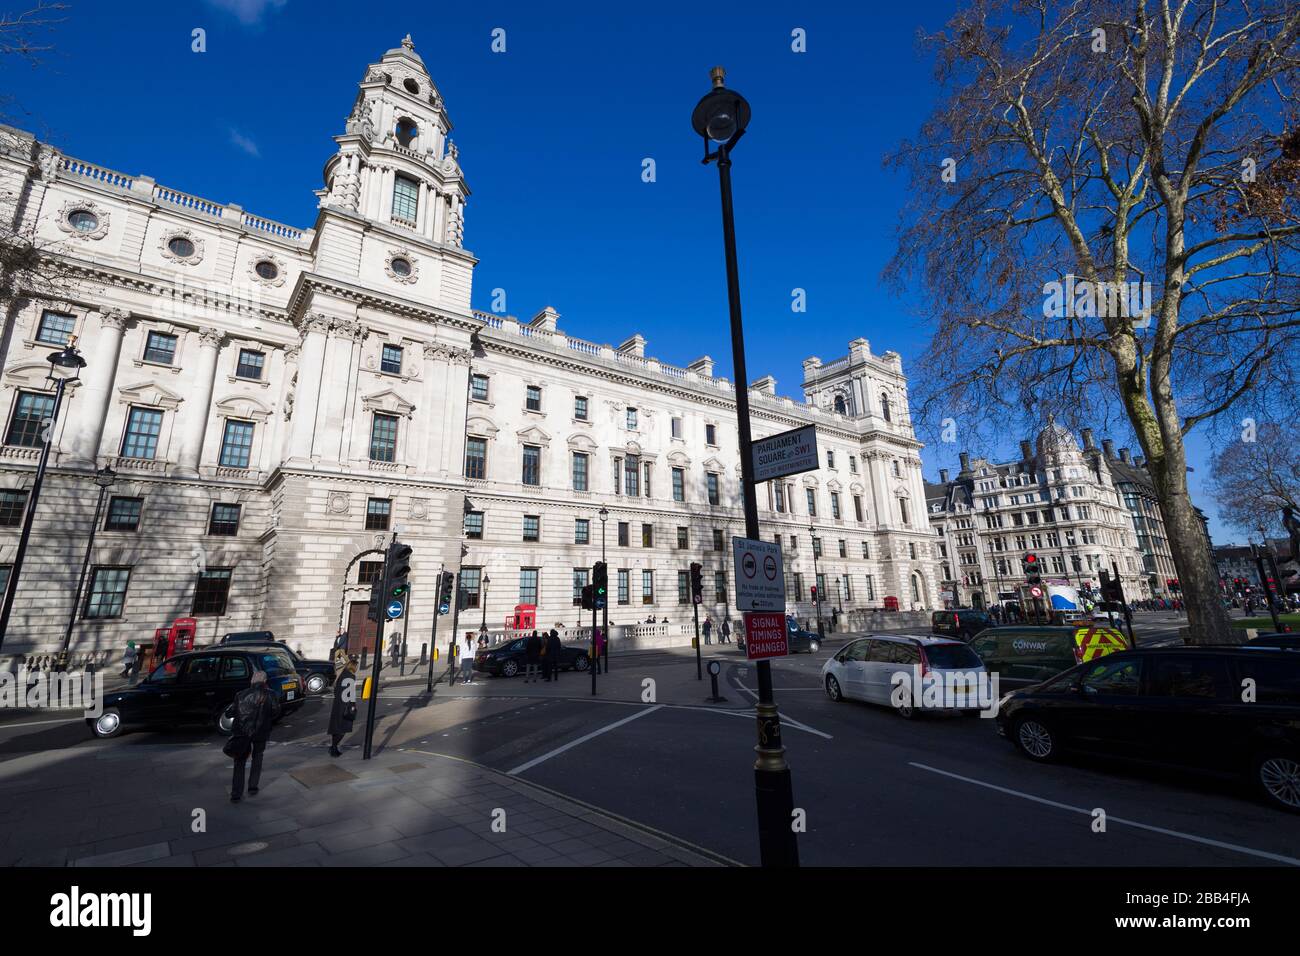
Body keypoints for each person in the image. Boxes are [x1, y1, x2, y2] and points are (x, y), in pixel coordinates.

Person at [227, 670, 277, 802]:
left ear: (252, 680)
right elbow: (276, 711)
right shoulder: (270, 694)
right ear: (265, 681)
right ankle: (253, 787)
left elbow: (230, 712)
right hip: (261, 732)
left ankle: (236, 794)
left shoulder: (241, 694)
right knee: (258, 758)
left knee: (239, 762)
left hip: (242, 733)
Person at [328, 657, 359, 757]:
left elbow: (337, 691)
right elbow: (351, 694)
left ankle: (333, 746)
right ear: (354, 667)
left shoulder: (341, 676)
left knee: (336, 728)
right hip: (346, 706)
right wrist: (353, 705)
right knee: (343, 729)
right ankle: (334, 747)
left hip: (337, 705)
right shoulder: (351, 677)